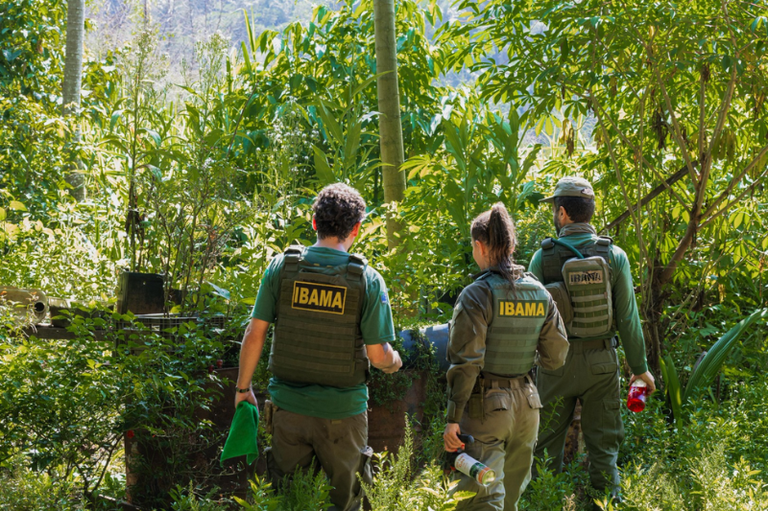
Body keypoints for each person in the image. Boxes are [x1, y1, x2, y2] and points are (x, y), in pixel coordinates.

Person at [235, 183, 403, 511]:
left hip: (288, 411)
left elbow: (255, 334)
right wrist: (395, 361)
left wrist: (243, 388)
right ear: (356, 228)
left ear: (314, 223)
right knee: (346, 503)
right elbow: (377, 355)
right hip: (343, 416)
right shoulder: (366, 279)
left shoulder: (282, 267)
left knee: (289, 502)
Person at [529, 177, 656, 503]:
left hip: (555, 366)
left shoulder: (542, 259)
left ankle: (546, 504)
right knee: (604, 452)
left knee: (544, 452)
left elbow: (530, 322)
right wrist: (640, 369)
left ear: (561, 213)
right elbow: (628, 318)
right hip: (602, 364)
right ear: (590, 211)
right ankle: (608, 505)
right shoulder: (614, 256)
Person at [443, 203, 569, 511]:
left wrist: (452, 419)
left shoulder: (477, 294)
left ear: (479, 245)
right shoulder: (539, 293)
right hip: (528, 408)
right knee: (510, 500)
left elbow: (466, 362)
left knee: (481, 501)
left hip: (486, 410)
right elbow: (556, 356)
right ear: (511, 245)